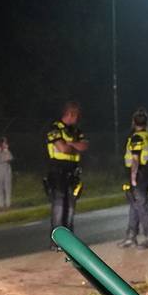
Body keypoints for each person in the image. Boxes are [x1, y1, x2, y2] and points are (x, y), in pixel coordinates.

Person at [45, 100, 88, 245]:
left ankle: (70, 240)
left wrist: (70, 144)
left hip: (73, 172)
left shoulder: (76, 130)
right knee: (59, 206)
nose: (78, 119)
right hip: (58, 171)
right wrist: (73, 145)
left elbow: (84, 146)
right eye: (76, 116)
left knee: (71, 205)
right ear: (70, 114)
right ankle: (56, 240)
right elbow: (62, 149)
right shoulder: (54, 128)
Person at [119, 107, 148, 249]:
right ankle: (131, 236)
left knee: (140, 204)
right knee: (135, 205)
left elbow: (135, 159)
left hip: (139, 173)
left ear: (133, 122)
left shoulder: (136, 137)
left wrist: (133, 177)